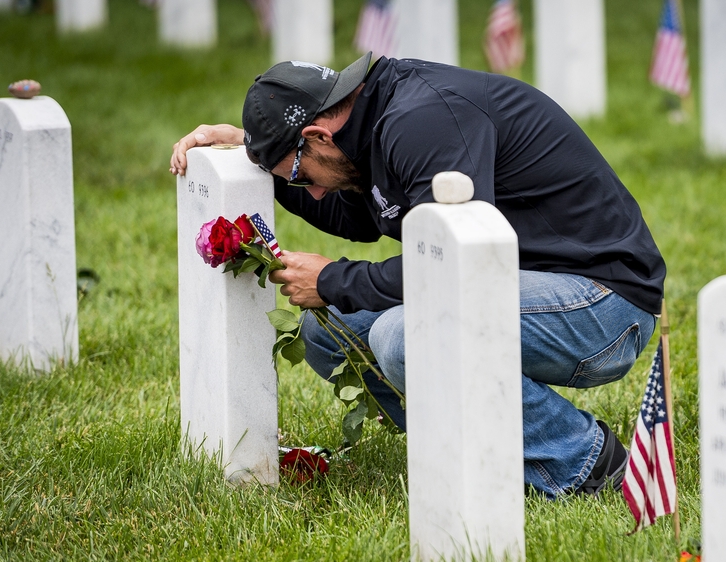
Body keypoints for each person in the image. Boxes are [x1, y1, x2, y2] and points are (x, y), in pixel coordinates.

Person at [170, 52, 666, 499]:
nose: (311, 193)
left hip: (602, 303)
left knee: (405, 337)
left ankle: (586, 462)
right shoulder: (370, 122)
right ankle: (473, 449)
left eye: (300, 176)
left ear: (318, 135)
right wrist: (256, 156)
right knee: (327, 329)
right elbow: (357, 217)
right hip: (525, 287)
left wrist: (332, 279)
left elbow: (452, 262)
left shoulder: (422, 122)